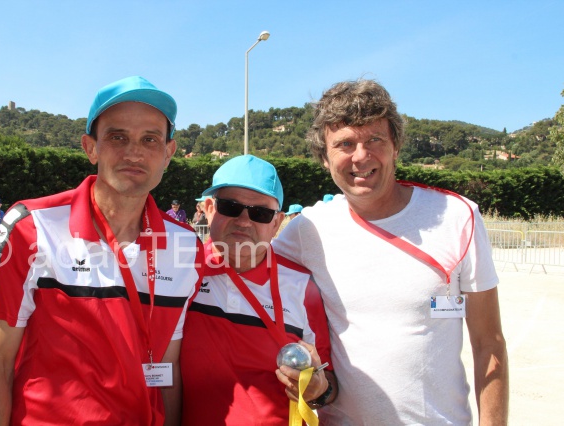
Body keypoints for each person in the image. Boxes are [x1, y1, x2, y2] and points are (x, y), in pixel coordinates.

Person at [0, 76, 204, 425]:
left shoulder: (187, 246)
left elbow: (167, 367)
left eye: (150, 139)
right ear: (91, 148)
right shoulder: (31, 227)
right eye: (117, 137)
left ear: (168, 153)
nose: (134, 152)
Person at [273, 79, 508, 425]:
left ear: (395, 146)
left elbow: (489, 343)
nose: (361, 156)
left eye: (375, 140)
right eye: (345, 144)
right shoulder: (307, 229)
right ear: (324, 158)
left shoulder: (458, 217)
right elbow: (243, 271)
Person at [180, 155, 337, 425]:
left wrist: (318, 391)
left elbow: (329, 380)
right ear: (209, 209)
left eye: (260, 213)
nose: (244, 221)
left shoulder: (302, 286)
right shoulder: (180, 273)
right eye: (230, 207)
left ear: (276, 223)